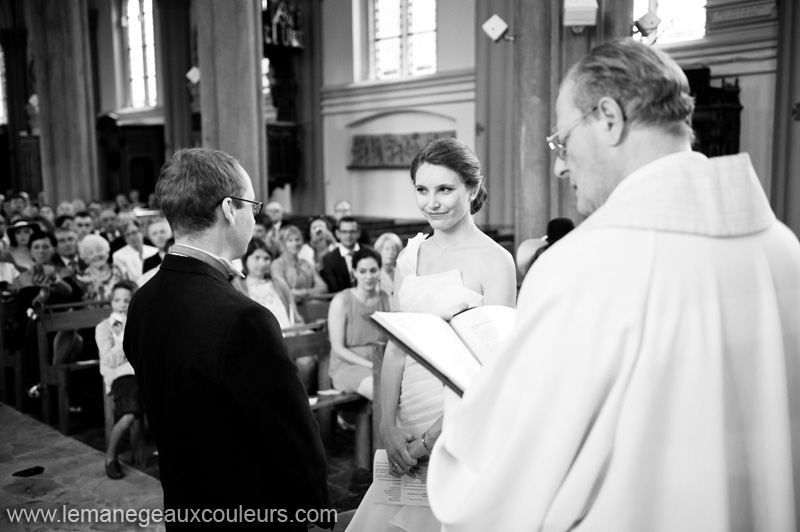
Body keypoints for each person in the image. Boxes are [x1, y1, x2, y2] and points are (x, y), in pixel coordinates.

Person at [427, 38, 800, 532]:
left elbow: (505, 474)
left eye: (562, 141)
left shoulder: (583, 267)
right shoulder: (782, 248)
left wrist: (465, 395)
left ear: (609, 118)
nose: (560, 165)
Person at [123, 148, 330, 528]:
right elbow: (293, 437)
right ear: (230, 209)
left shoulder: (143, 301)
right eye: (253, 205)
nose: (255, 216)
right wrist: (315, 508)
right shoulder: (244, 318)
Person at [346, 137, 516, 532]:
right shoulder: (411, 255)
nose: (431, 203)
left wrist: (430, 439)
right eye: (422, 190)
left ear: (472, 189)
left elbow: (493, 370)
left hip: (459, 412)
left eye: (445, 189)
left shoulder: (496, 261)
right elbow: (395, 346)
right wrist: (386, 423)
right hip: (406, 408)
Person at [327, 247, 389, 400]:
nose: (368, 276)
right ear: (354, 272)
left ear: (380, 271)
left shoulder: (385, 299)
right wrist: (371, 366)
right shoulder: (341, 301)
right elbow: (337, 348)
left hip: (380, 362)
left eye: (373, 270)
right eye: (362, 271)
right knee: (382, 390)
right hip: (348, 366)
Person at [96, 280, 144, 480]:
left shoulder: (141, 322)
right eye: (117, 300)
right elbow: (108, 359)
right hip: (122, 375)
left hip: (143, 372)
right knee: (129, 413)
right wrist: (124, 336)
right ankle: (110, 456)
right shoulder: (105, 327)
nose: (122, 304)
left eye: (127, 299)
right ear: (111, 302)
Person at [271, 225, 328, 302]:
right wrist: (313, 292)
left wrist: (304, 292)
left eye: (297, 240)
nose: (295, 244)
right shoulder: (277, 264)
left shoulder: (305, 263)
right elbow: (283, 291)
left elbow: (323, 287)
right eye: (290, 240)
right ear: (282, 243)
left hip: (310, 306)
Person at [75, 234, 127, 303]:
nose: (96, 255)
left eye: (99, 250)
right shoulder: (80, 277)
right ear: (85, 258)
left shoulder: (118, 270)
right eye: (90, 253)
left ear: (106, 251)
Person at [320, 216, 362, 294]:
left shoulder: (370, 254)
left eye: (352, 232)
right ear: (337, 233)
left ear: (358, 233)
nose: (348, 235)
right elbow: (335, 288)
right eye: (344, 232)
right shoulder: (329, 259)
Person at [112, 219, 158, 284]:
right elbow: (124, 281)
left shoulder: (154, 251)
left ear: (141, 232)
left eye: (134, 232)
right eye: (127, 234)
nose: (132, 237)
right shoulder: (118, 256)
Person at [373, 232, 403, 297]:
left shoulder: (400, 272)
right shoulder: (374, 273)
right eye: (387, 249)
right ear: (379, 250)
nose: (390, 252)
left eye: (394, 249)